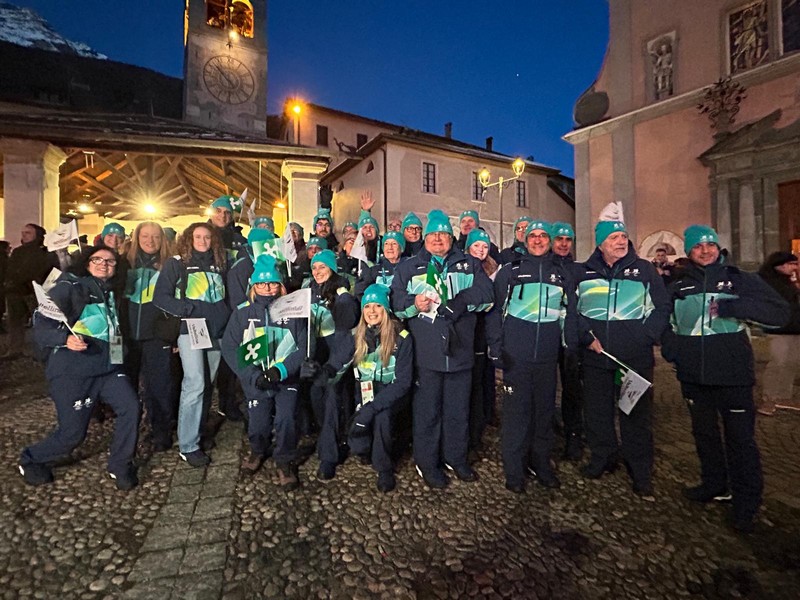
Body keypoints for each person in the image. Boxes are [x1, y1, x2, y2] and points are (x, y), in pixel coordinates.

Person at [662, 225, 789, 533]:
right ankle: (713, 484)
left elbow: (781, 313)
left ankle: (747, 501)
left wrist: (736, 306)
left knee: (740, 441)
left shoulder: (739, 279)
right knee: (704, 436)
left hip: (733, 376)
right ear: (689, 252)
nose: (705, 250)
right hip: (694, 376)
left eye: (710, 244)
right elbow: (666, 321)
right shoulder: (679, 284)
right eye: (698, 246)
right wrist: (673, 351)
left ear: (717, 247)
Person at [19, 244, 139, 490]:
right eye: (98, 259)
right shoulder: (69, 288)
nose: (104, 264)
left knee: (131, 407)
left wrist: (120, 359)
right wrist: (64, 340)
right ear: (87, 262)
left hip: (108, 370)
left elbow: (114, 329)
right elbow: (40, 325)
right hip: (74, 373)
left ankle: (120, 464)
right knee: (72, 435)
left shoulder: (110, 292)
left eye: (111, 261)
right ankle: (31, 458)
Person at [391, 209, 493, 488]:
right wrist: (414, 303)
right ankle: (427, 462)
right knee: (428, 412)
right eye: (433, 234)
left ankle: (456, 458)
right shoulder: (409, 267)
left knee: (458, 410)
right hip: (427, 354)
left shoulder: (468, 264)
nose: (438, 239)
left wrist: (460, 301)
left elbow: (487, 295)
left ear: (451, 237)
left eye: (444, 235)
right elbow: (396, 302)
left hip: (460, 352)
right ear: (425, 238)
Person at [576, 219, 670, 498]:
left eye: (623, 236)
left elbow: (662, 307)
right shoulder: (583, 272)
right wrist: (585, 337)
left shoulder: (644, 270)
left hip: (634, 359)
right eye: (614, 237)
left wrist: (645, 336)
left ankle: (640, 470)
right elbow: (573, 310)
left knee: (636, 416)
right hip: (596, 357)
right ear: (600, 243)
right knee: (597, 413)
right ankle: (602, 458)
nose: (620, 241)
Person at [488, 221, 578, 493]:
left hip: (547, 359)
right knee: (516, 416)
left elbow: (567, 313)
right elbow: (495, 312)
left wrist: (570, 345)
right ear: (525, 240)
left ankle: (541, 465)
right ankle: (514, 470)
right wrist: (496, 346)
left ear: (549, 241)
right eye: (533, 236)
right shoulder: (511, 272)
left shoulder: (561, 273)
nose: (538, 240)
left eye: (543, 236)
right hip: (516, 358)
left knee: (544, 415)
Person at [222, 255, 307, 488]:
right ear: (253, 286)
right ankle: (258, 450)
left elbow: (304, 347)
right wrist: (251, 375)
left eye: (272, 283)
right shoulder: (242, 313)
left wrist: (281, 370)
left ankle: (284, 459)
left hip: (285, 377)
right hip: (256, 379)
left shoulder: (294, 311)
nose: (267, 288)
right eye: (262, 284)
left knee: (286, 418)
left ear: (280, 285)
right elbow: (230, 347)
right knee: (258, 422)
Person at [153, 223, 231, 467]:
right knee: (194, 383)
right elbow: (160, 297)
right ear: (189, 239)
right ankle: (188, 445)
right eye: (197, 236)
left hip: (216, 331)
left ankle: (198, 431)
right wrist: (187, 310)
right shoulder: (177, 263)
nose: (202, 240)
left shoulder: (220, 263)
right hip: (192, 329)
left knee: (206, 384)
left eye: (207, 237)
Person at [348, 284, 413, 493]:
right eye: (368, 306)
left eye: (378, 306)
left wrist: (372, 407)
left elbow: (403, 382)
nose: (372, 311)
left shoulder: (401, 338)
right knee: (359, 434)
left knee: (382, 415)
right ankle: (364, 448)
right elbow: (339, 363)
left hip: (391, 391)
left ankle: (384, 467)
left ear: (386, 310)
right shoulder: (355, 335)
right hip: (365, 388)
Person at [302, 249, 360, 480]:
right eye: (314, 268)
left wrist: (343, 295)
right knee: (317, 400)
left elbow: (346, 326)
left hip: (336, 359)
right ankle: (336, 436)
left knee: (332, 402)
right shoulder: (308, 292)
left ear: (332, 270)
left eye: (322, 267)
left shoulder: (341, 292)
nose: (317, 272)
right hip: (316, 357)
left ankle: (328, 457)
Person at [125, 222, 174, 452]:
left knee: (159, 387)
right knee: (128, 386)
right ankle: (130, 430)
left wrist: (172, 334)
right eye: (145, 236)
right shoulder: (125, 262)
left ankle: (161, 431)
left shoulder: (170, 265)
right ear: (137, 238)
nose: (150, 240)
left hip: (157, 337)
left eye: (155, 236)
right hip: (128, 337)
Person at [208, 196, 246, 422]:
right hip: (212, 306)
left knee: (230, 358)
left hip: (234, 305)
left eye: (227, 213)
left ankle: (227, 401)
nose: (223, 216)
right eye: (218, 211)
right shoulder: (202, 237)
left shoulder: (239, 240)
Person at [550, 221, 584, 461]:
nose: (563, 244)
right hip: (549, 338)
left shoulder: (580, 270)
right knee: (546, 389)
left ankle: (574, 438)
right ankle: (549, 433)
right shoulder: (545, 267)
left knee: (573, 391)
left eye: (567, 240)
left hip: (571, 341)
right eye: (559, 239)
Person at [463, 229, 498, 454]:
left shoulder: (494, 270)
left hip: (485, 333)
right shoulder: (463, 267)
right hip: (468, 333)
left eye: (484, 246)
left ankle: (479, 427)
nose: (481, 250)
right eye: (476, 246)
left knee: (483, 382)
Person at [4, 223, 57, 358]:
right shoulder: (18, 252)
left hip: (35, 292)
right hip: (16, 291)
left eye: (28, 233)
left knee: (39, 322)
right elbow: (10, 270)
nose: (24, 235)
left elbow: (48, 271)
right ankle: (15, 349)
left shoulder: (45, 253)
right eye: (23, 233)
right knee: (15, 322)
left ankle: (39, 350)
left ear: (37, 235)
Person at [757, 251, 800, 414]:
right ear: (780, 265)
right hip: (778, 328)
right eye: (792, 264)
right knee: (778, 363)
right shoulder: (768, 281)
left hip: (794, 327)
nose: (794, 267)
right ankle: (769, 399)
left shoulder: (789, 281)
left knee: (792, 362)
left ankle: (783, 396)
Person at [355, 231, 406, 298]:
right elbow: (360, 291)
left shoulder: (409, 267)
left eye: (394, 244)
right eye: (386, 244)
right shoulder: (373, 270)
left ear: (401, 248)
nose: (390, 247)